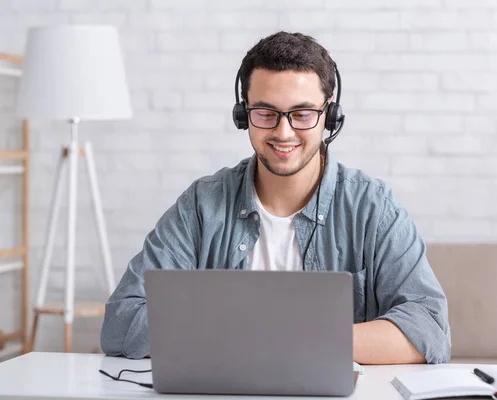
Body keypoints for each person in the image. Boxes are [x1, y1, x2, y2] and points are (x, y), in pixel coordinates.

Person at [100, 31, 451, 364]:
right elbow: (122, 322)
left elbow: (429, 327)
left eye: (302, 114)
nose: (283, 133)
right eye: (266, 113)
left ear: (329, 115)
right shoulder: (201, 205)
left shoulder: (373, 209)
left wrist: (289, 338)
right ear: (243, 114)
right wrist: (261, 338)